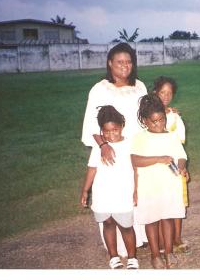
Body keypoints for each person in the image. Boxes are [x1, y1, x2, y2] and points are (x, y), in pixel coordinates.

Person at [81, 42, 148, 256]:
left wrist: (168, 111)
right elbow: (92, 125)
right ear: (110, 63)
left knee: (134, 194)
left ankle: (139, 239)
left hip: (136, 149)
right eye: (119, 62)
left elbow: (147, 115)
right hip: (110, 151)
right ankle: (117, 249)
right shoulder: (100, 89)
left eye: (128, 62)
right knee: (112, 196)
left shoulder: (140, 86)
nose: (124, 66)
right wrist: (103, 146)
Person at [131, 94, 189, 269]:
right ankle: (155, 255)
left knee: (168, 218)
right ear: (145, 121)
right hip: (149, 186)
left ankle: (169, 252)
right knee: (152, 220)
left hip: (168, 186)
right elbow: (135, 160)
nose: (158, 125)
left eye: (161, 120)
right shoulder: (141, 137)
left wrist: (182, 166)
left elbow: (181, 156)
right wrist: (158, 158)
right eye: (154, 121)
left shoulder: (171, 136)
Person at [80, 105, 139, 269]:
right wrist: (85, 190)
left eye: (115, 130)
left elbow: (136, 169)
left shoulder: (130, 145)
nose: (111, 135)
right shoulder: (99, 149)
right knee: (107, 224)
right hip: (103, 193)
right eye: (106, 131)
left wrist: (136, 190)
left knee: (126, 226)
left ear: (122, 127)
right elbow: (92, 169)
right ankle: (113, 256)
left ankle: (132, 257)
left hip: (123, 193)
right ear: (101, 131)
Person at [153, 76, 190, 254]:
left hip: (174, 166)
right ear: (155, 93)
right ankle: (161, 241)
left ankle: (177, 238)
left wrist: (182, 167)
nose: (166, 96)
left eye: (170, 93)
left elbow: (180, 146)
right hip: (155, 166)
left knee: (177, 203)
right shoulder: (147, 117)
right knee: (159, 203)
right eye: (162, 92)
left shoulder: (174, 117)